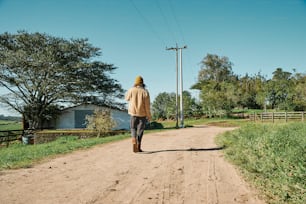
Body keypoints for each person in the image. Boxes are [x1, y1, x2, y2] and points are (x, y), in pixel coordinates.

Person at [125, 76, 151, 153]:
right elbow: (147, 105)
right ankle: (138, 146)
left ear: (135, 82)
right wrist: (149, 116)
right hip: (142, 114)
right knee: (140, 130)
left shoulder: (131, 90)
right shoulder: (145, 92)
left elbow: (126, 98)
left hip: (133, 113)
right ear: (142, 82)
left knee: (133, 128)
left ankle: (133, 138)